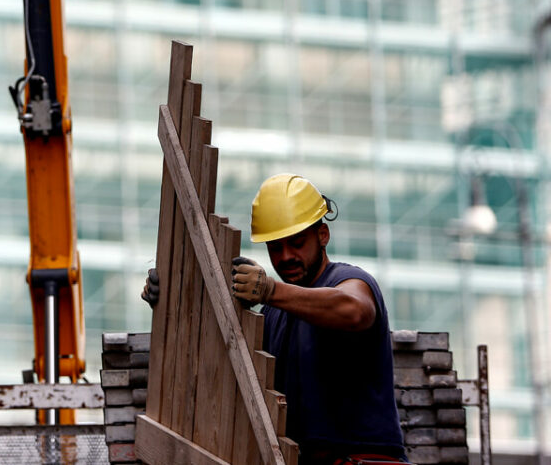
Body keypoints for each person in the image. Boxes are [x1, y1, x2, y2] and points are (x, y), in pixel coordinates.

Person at [142, 173, 407, 465]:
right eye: (275, 247)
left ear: (323, 235)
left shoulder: (348, 280)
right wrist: (169, 302)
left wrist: (270, 289)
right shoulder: (273, 314)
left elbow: (356, 310)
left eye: (296, 242)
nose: (285, 257)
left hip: (364, 459)